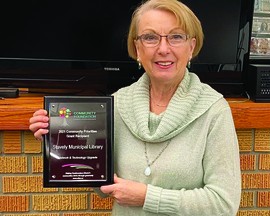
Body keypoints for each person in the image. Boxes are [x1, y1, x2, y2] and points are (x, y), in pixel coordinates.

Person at [29, 0, 241, 215]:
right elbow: (103, 187)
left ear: (191, 47)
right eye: (150, 38)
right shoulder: (117, 104)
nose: (163, 49)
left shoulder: (214, 110)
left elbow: (224, 204)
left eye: (176, 37)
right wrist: (58, 139)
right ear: (138, 48)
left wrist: (147, 197)